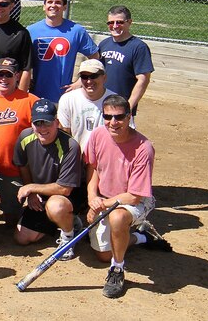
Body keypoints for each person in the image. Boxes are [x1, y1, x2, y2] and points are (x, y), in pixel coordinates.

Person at [84, 95, 167, 298]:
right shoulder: (97, 135)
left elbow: (134, 196)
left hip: (135, 199)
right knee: (103, 254)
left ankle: (117, 270)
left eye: (119, 117)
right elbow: (93, 168)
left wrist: (100, 205)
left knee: (117, 217)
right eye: (108, 116)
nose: (113, 122)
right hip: (105, 197)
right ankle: (141, 236)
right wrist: (91, 197)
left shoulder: (144, 148)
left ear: (129, 117)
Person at [12, 99, 85, 261]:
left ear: (56, 123)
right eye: (38, 123)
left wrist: (31, 188)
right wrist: (31, 193)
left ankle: (68, 235)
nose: (42, 128)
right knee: (22, 238)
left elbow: (65, 189)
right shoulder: (25, 137)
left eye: (47, 123)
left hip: (69, 194)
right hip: (42, 192)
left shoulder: (70, 146)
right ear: (32, 124)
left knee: (56, 206)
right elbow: (22, 166)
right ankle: (64, 221)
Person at [0, 58, 39, 223]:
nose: (4, 78)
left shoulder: (30, 101)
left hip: (12, 171)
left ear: (17, 76)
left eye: (8, 75)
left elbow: (46, 133)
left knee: (11, 219)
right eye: (0, 74)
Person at [27, 0, 99, 102]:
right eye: (50, 2)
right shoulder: (31, 31)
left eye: (58, 2)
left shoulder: (76, 31)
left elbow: (95, 56)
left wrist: (80, 82)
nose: (53, 5)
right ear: (44, 6)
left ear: (64, 7)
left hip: (64, 96)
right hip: (36, 95)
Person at [98, 5, 153, 120]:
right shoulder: (104, 44)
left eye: (120, 22)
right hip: (101, 104)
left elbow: (143, 79)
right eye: (110, 23)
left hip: (121, 108)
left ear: (129, 22)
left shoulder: (138, 47)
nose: (115, 26)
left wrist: (129, 106)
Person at [57, 59, 117, 148]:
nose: (89, 81)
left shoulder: (116, 101)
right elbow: (64, 134)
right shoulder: (67, 99)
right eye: (84, 76)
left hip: (106, 155)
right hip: (76, 155)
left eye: (94, 76)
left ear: (104, 77)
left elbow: (125, 133)